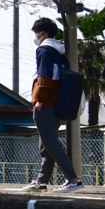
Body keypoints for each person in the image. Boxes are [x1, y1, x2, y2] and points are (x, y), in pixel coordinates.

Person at [21, 17, 84, 193]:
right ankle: (41, 181)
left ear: (43, 33)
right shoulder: (60, 52)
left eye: (36, 33)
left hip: (46, 103)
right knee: (46, 144)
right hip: (58, 103)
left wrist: (39, 100)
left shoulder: (44, 50)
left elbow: (44, 77)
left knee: (51, 144)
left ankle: (73, 179)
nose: (36, 37)